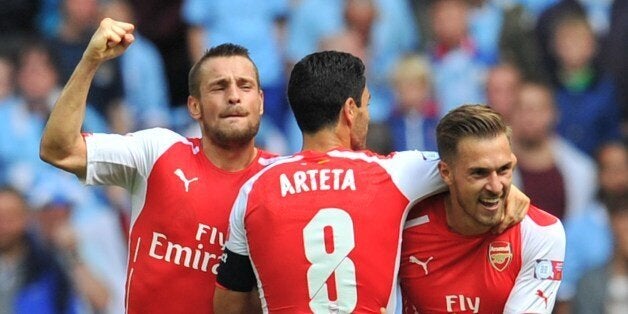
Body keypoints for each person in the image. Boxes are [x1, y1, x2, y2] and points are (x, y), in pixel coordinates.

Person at [214, 51, 529, 313]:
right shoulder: (395, 174)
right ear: (350, 110)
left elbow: (229, 302)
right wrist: (506, 190)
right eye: (367, 103)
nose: (369, 115)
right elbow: (469, 168)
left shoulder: (255, 189)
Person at [39, 18, 275, 313]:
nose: (234, 96)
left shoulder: (279, 180)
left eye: (245, 85)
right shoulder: (158, 152)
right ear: (194, 107)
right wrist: (91, 60)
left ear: (261, 102)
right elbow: (59, 150)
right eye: (218, 87)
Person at [399, 104, 566, 313]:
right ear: (446, 173)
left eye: (504, 169)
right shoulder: (403, 224)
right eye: (479, 173)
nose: (496, 187)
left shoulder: (541, 233)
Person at [0, 186, 81, 314]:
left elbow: (102, 300)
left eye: (10, 216)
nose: (3, 225)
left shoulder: (48, 266)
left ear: (26, 218)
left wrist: (71, 255)